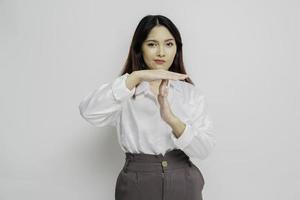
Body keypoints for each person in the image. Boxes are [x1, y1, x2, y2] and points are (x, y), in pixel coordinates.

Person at [79, 14, 216, 200]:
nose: (161, 52)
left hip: (184, 181)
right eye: (152, 44)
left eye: (169, 44)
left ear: (177, 48)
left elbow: (204, 150)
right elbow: (88, 112)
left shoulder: (190, 94)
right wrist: (134, 78)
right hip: (137, 183)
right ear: (139, 48)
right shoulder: (124, 90)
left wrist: (172, 120)